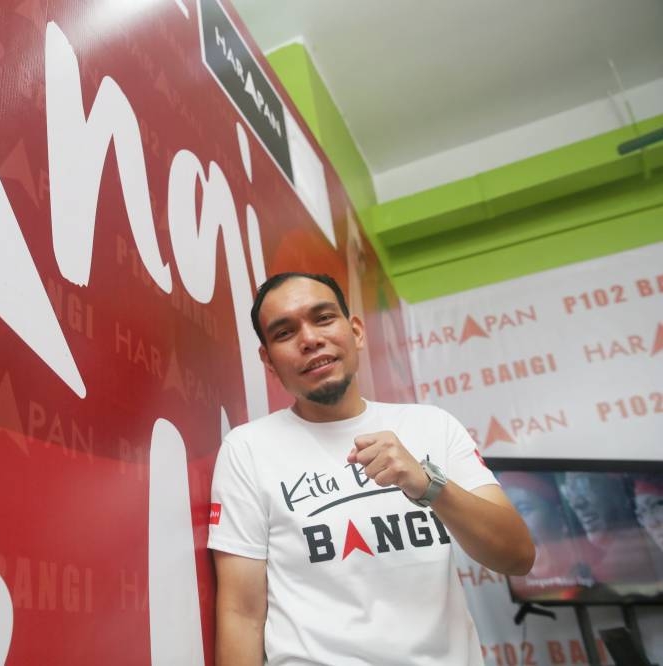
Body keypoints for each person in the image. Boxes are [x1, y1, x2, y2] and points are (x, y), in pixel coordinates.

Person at [208, 272, 535, 666]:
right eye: (284, 333)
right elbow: (241, 615)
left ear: (356, 331)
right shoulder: (248, 449)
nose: (309, 339)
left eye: (324, 318)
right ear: (269, 361)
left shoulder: (432, 425)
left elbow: (517, 556)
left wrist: (429, 485)